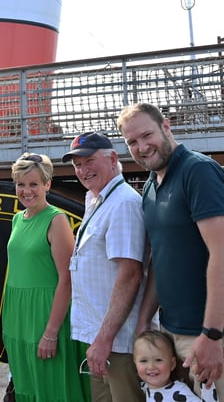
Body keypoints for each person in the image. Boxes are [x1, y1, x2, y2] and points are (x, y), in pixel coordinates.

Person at [117, 103, 224, 402]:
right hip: (173, 332)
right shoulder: (151, 186)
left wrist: (212, 335)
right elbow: (160, 259)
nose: (141, 147)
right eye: (132, 142)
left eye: (147, 135)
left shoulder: (198, 171)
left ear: (166, 126)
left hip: (215, 333)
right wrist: (144, 321)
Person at [61, 131, 148, 402]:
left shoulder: (123, 204)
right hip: (102, 337)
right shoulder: (97, 199)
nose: (82, 170)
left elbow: (130, 274)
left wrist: (104, 340)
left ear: (112, 159)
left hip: (117, 342)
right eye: (77, 164)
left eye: (88, 161)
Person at [2, 152, 90, 402]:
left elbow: (67, 280)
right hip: (18, 315)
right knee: (27, 385)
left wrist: (50, 333)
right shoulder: (19, 218)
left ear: (47, 185)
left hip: (46, 314)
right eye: (21, 184)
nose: (26, 191)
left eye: (34, 184)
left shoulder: (56, 220)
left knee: (52, 387)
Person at [133, 330, 216, 402]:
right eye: (143, 361)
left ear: (172, 364)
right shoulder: (143, 388)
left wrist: (204, 380)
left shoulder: (178, 391)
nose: (151, 367)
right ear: (135, 363)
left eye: (158, 360)